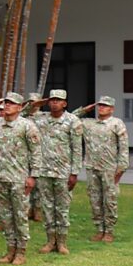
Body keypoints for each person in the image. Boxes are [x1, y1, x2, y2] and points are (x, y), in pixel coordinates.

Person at [0, 92, 42, 266]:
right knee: (5, 217)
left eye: (12, 103)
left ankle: (21, 251)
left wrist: (33, 176)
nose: (7, 106)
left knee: (20, 215)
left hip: (19, 178)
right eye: (5, 103)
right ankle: (10, 249)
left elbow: (36, 152)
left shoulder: (27, 126)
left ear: (19, 108)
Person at [25, 90, 83, 254]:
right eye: (52, 100)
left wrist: (74, 173)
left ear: (65, 103)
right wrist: (35, 105)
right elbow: (22, 116)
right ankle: (50, 241)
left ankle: (62, 242)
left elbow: (77, 149)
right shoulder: (41, 119)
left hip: (64, 172)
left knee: (62, 209)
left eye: (58, 100)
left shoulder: (73, 121)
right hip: (44, 171)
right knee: (48, 208)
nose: (54, 103)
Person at [75, 97, 129, 243]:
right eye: (100, 106)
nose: (101, 108)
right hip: (92, 167)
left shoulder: (116, 124)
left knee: (109, 200)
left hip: (109, 168)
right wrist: (85, 110)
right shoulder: (89, 124)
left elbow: (123, 147)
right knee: (94, 199)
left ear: (112, 109)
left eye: (105, 106)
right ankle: (99, 229)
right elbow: (71, 119)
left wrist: (122, 168)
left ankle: (109, 230)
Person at [23, 93, 45, 222]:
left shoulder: (43, 117)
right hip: (24, 155)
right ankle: (27, 210)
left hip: (39, 153)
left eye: (35, 102)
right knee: (25, 184)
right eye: (30, 102)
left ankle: (37, 210)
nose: (33, 105)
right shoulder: (22, 116)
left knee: (38, 185)